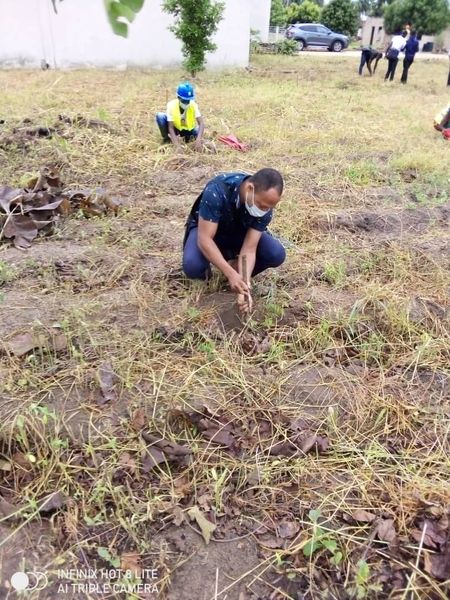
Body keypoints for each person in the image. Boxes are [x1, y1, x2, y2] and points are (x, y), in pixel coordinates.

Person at [182, 169, 286, 313]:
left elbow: (249, 249)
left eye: (269, 207)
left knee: (275, 253)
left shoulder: (265, 207)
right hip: (208, 230)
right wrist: (230, 273)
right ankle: (211, 272)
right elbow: (205, 239)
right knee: (193, 265)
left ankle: (233, 267)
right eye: (262, 206)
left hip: (238, 231)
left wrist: (245, 285)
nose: (265, 210)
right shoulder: (217, 190)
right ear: (250, 188)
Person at [156, 82, 204, 150]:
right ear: (178, 97)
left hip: (188, 130)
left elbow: (201, 123)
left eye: (188, 101)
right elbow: (171, 127)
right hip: (176, 129)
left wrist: (198, 140)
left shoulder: (193, 105)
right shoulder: (171, 105)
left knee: (197, 132)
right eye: (184, 101)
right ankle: (167, 140)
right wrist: (177, 146)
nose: (186, 103)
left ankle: (188, 139)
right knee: (160, 116)